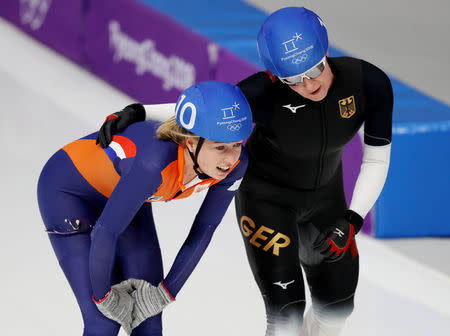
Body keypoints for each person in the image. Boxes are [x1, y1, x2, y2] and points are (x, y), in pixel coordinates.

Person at [95, 7, 393, 336]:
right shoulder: (265, 92)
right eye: (292, 79)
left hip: (327, 200)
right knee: (287, 315)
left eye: (314, 69)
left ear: (326, 51)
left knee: (337, 307)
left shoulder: (368, 83)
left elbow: (377, 160)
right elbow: (202, 111)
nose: (308, 84)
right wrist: (138, 112)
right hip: (266, 201)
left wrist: (353, 217)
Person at [37, 81, 252, 336]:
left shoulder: (236, 165)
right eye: (220, 147)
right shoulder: (154, 165)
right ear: (191, 142)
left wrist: (165, 294)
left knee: (148, 321)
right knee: (103, 322)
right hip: (69, 193)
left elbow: (204, 229)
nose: (230, 158)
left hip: (126, 195)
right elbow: (105, 233)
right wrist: (103, 297)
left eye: (237, 145)